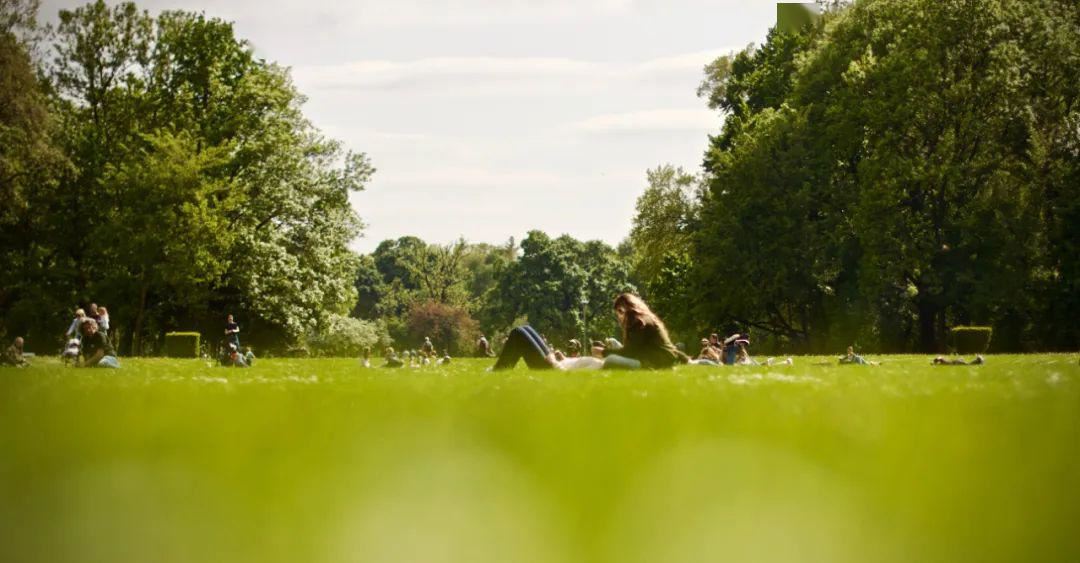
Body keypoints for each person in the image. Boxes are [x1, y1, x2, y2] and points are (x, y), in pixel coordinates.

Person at [602, 293, 689, 370]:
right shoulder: (646, 319)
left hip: (653, 363)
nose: (619, 318)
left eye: (619, 313)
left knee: (611, 360)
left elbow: (629, 352)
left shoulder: (638, 322)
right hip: (660, 360)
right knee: (613, 355)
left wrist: (603, 352)